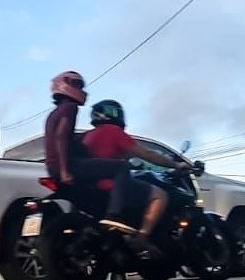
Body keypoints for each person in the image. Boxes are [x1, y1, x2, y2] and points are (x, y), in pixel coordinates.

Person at [81, 99, 191, 259]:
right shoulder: (113, 131)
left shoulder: (88, 136)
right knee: (160, 196)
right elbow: (147, 154)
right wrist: (175, 164)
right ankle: (143, 235)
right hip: (113, 185)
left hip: (93, 186)